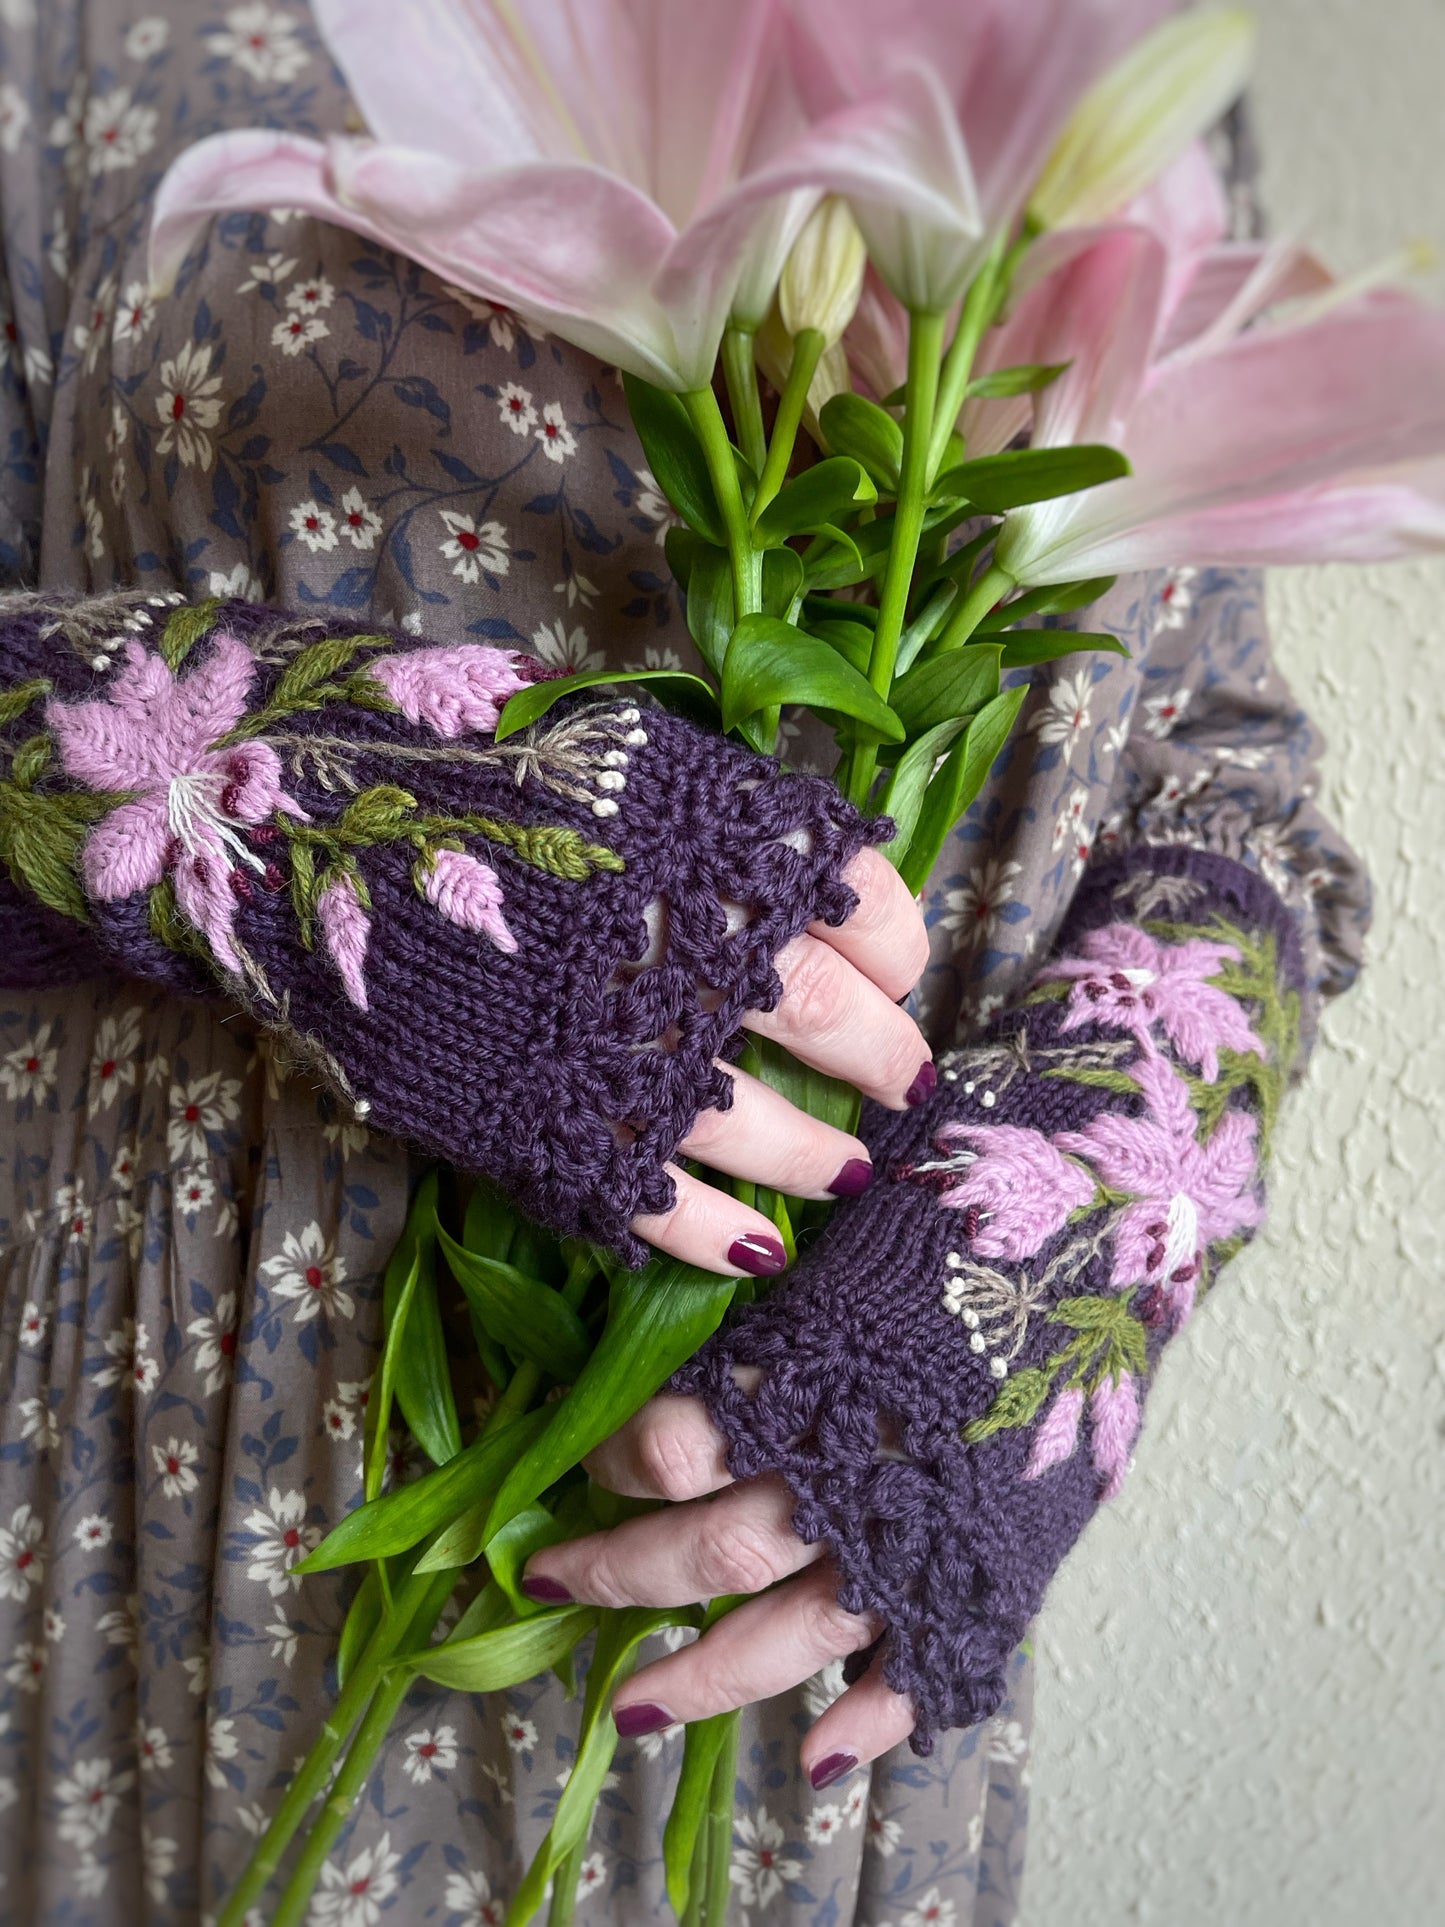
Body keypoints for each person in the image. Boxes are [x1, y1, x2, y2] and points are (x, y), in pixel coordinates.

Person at [0, 6, 1368, 1924]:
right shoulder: (87, 42)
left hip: (817, 1528)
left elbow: (1231, 805)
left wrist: (1058, 1258)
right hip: (208, 1505)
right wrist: (306, 795)